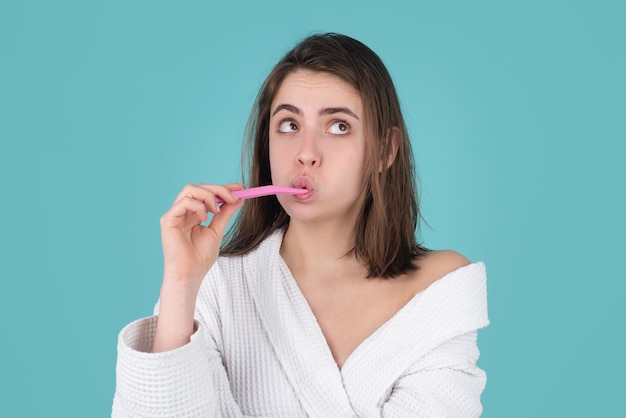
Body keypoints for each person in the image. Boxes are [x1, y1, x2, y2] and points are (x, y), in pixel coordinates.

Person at [112, 33, 489, 417]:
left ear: (385, 150)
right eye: (289, 125)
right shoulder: (215, 287)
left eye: (338, 126)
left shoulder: (438, 292)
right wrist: (180, 283)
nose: (306, 153)